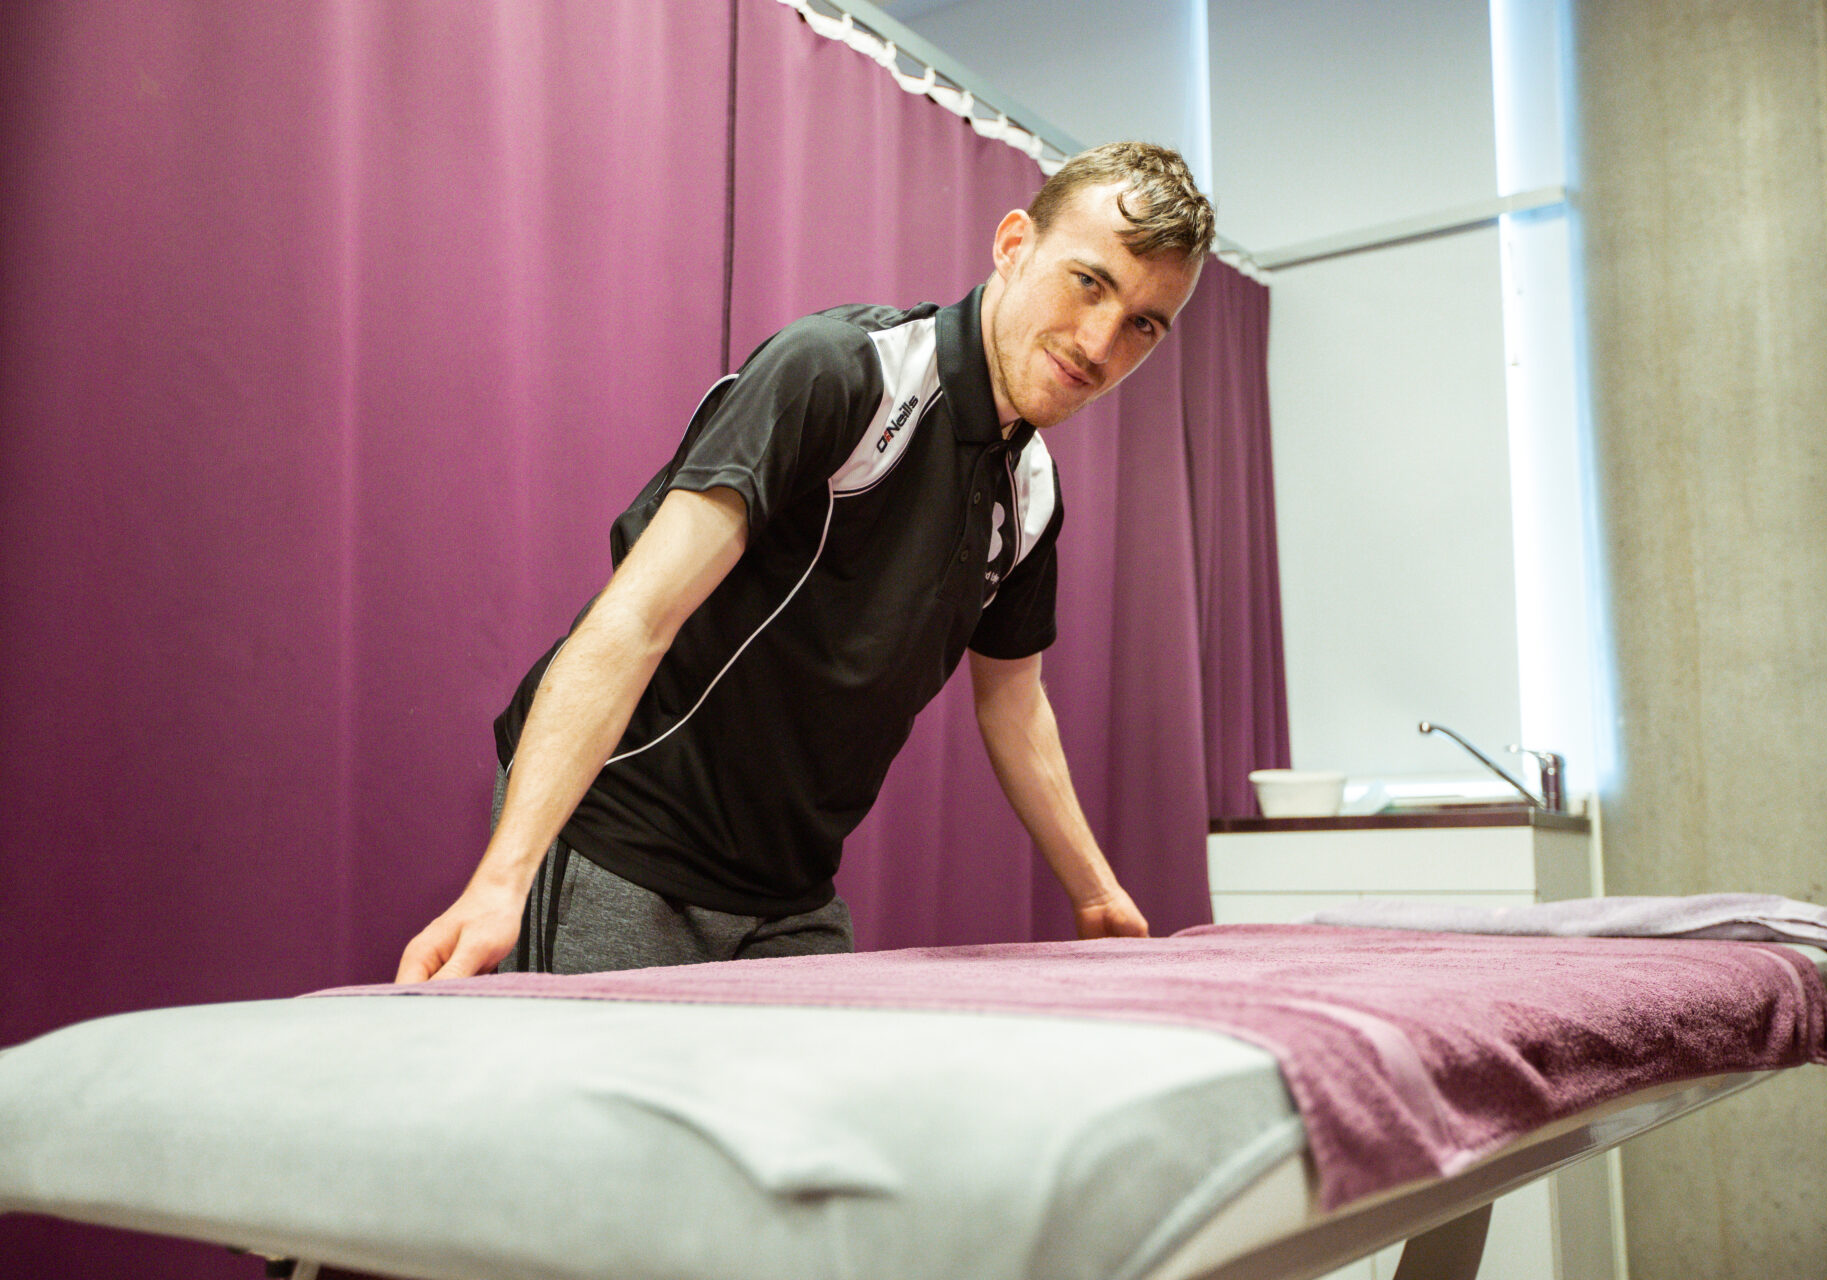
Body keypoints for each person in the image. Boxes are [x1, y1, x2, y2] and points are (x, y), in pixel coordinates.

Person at [396, 142, 1215, 982]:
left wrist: (1097, 892)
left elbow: (1013, 701)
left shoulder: (1032, 490)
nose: (1100, 342)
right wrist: (502, 882)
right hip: (626, 838)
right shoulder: (842, 371)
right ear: (1014, 245)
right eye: (1090, 282)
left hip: (790, 892)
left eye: (1144, 323)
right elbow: (635, 617)